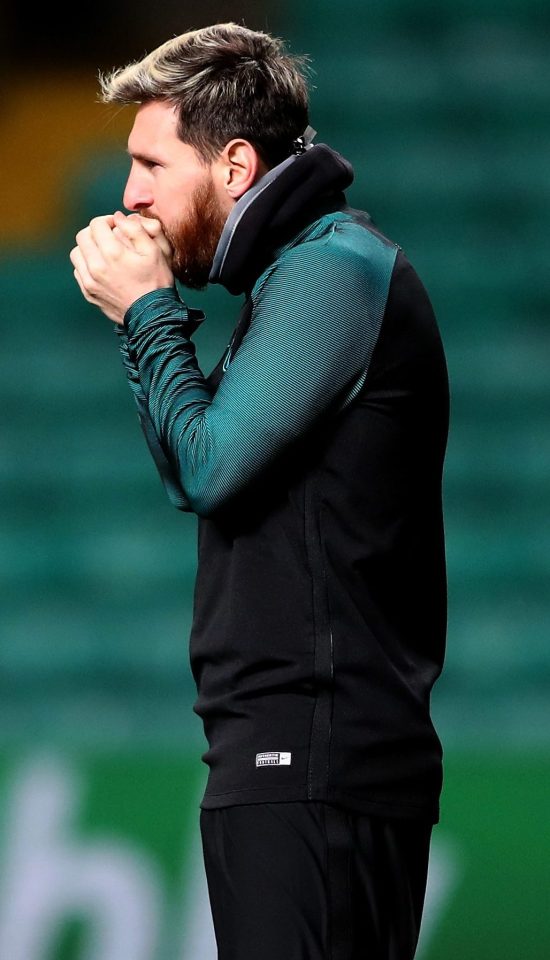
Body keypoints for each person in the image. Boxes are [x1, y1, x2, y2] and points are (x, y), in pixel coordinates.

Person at [70, 21, 450, 960]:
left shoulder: (331, 270)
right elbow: (193, 470)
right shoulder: (292, 278)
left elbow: (207, 465)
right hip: (283, 752)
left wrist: (149, 311)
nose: (132, 195)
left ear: (235, 165)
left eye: (151, 163)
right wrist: (144, 324)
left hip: (318, 753)